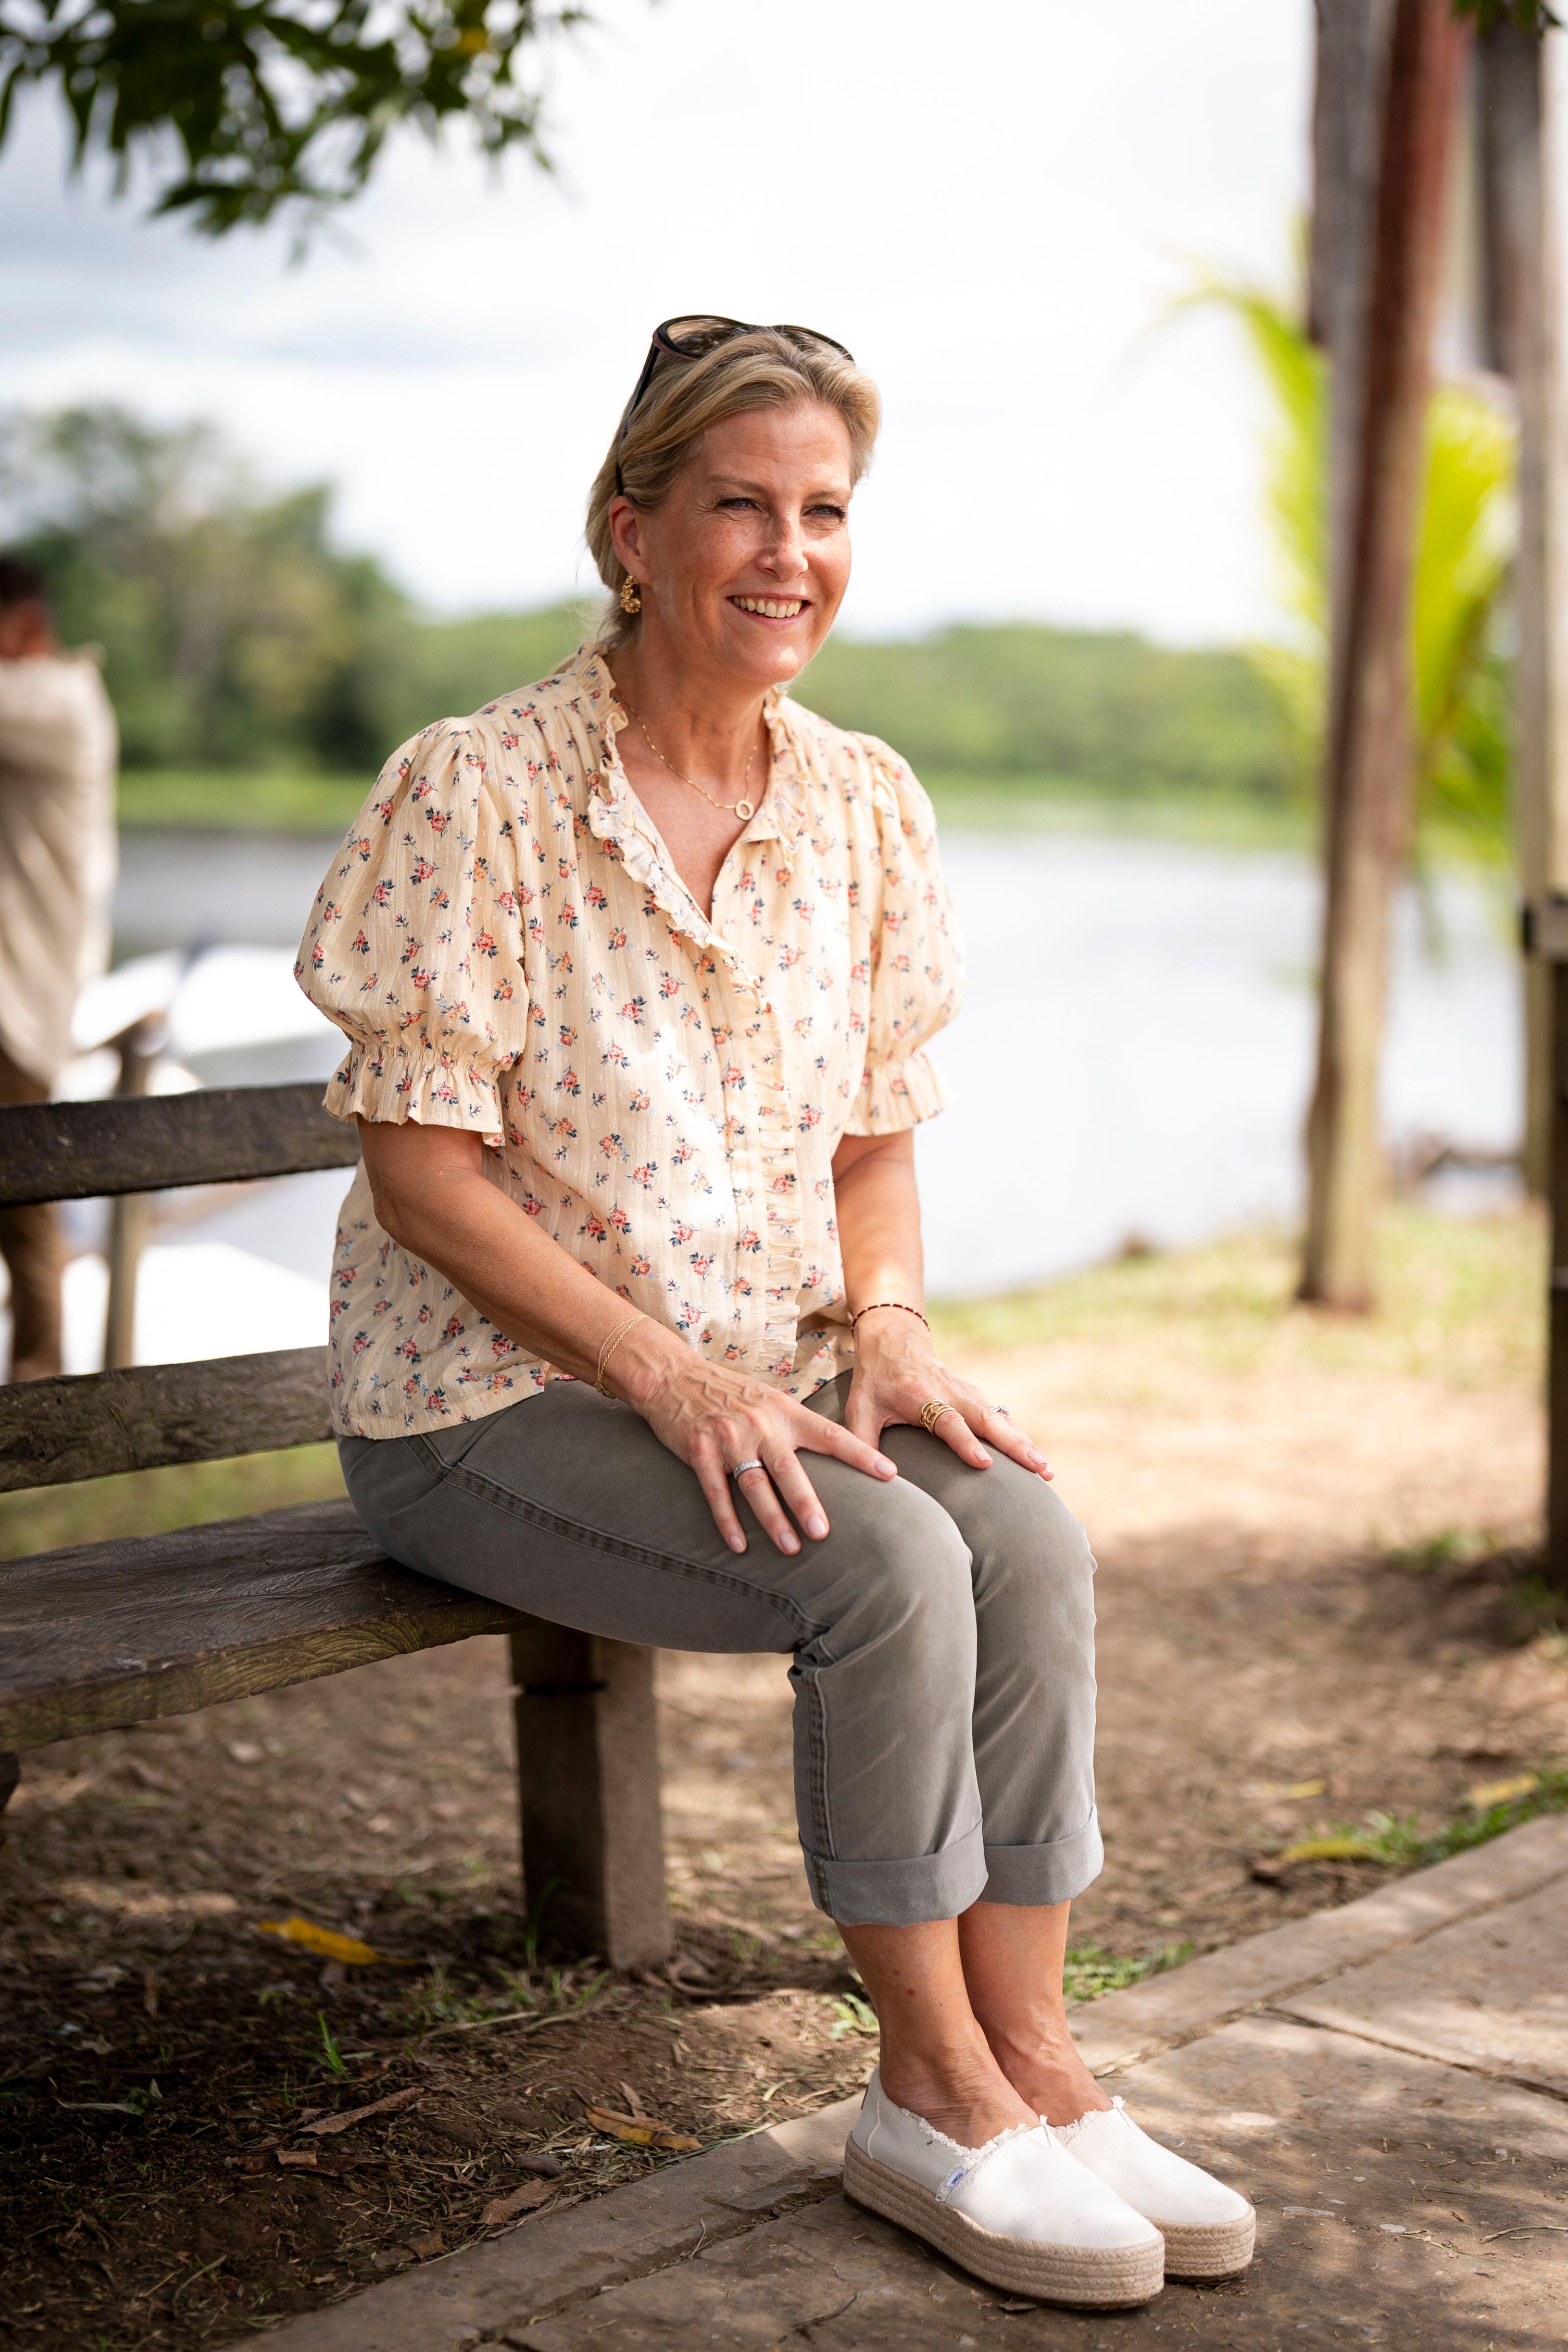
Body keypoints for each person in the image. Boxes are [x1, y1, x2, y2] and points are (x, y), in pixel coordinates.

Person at [295, 318, 1253, 2307]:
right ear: (629, 530)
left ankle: (1038, 2062)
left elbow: (872, 1137)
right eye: (739, 503)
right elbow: (423, 1176)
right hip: (481, 1403)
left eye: (823, 510)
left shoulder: (863, 802)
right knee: (883, 1563)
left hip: (765, 1375)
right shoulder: (477, 790)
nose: (786, 552)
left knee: (1022, 1528)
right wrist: (666, 1374)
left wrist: (887, 1325)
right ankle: (927, 2090)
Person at [0, 555, 118, 1382]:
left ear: (28, 629)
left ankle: (39, 1397)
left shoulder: (54, 701)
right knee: (25, 1204)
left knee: (24, 1206)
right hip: (21, 992)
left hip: (15, 1001)